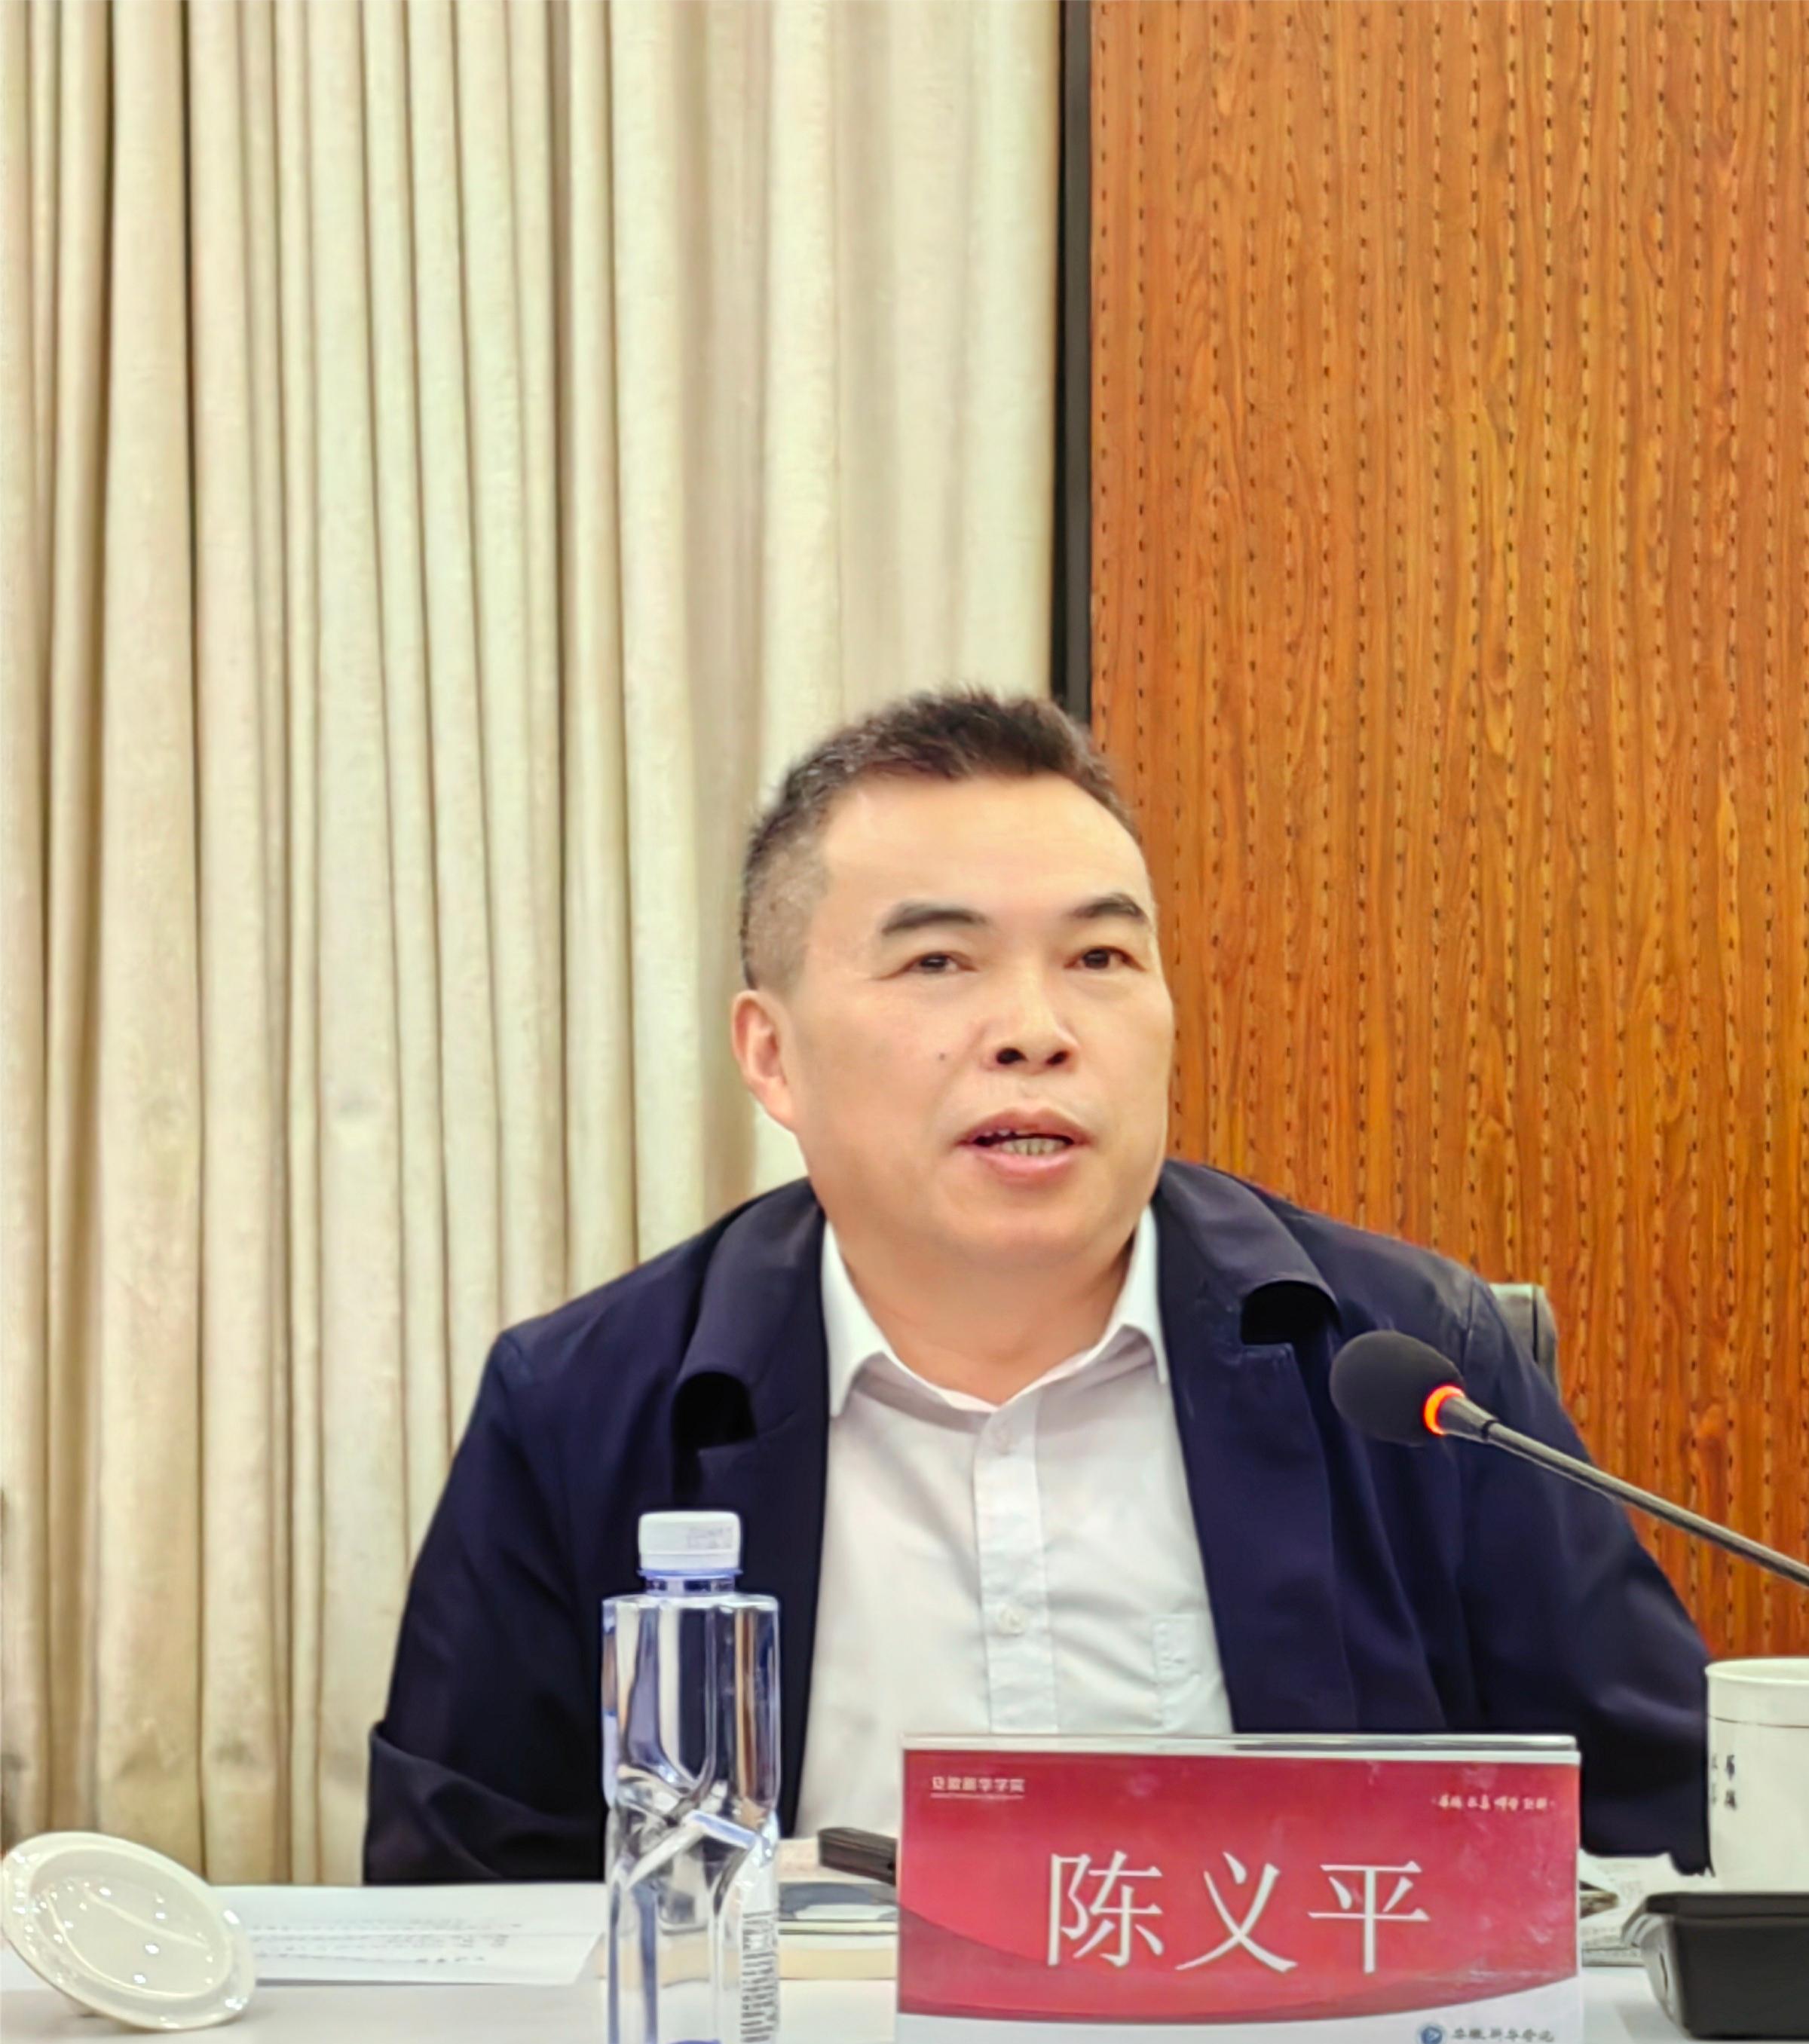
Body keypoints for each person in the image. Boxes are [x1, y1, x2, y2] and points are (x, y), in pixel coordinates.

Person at [365, 690, 1709, 1882]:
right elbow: (469, 1931)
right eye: (939, 962)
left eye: (1100, 959)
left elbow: (1669, 1843)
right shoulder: (583, 1411)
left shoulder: (1409, 1371)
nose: (1036, 1030)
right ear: (772, 1056)